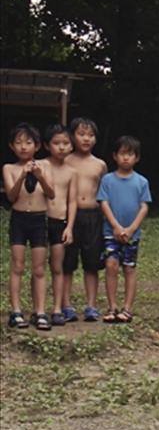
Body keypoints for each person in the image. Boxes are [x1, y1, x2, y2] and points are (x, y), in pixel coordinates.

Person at [3, 122, 55, 331]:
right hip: (19, 219)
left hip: (39, 220)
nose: (23, 146)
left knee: (39, 268)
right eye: (18, 143)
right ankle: (16, 311)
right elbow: (11, 196)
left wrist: (39, 176)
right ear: (11, 146)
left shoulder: (46, 166)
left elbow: (51, 194)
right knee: (17, 266)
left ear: (37, 146)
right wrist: (22, 175)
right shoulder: (9, 168)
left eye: (28, 142)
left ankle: (40, 311)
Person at [97, 135, 152, 323]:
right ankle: (112, 306)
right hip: (110, 232)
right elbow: (103, 203)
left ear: (137, 157)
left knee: (129, 268)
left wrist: (130, 229)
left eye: (130, 154)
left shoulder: (141, 182)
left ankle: (128, 308)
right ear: (114, 156)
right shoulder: (107, 180)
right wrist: (116, 226)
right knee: (111, 266)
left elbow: (144, 207)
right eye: (122, 154)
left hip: (132, 234)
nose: (125, 158)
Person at [63, 117, 107, 322]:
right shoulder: (65, 160)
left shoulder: (100, 165)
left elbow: (104, 193)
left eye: (90, 135)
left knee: (91, 263)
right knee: (67, 263)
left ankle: (91, 305)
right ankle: (65, 305)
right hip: (69, 216)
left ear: (96, 139)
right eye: (81, 134)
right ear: (72, 136)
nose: (86, 138)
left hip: (93, 216)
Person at [43, 123, 78, 326]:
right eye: (56, 143)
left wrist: (69, 226)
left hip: (60, 222)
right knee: (38, 267)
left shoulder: (71, 172)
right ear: (47, 146)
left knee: (57, 266)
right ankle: (39, 309)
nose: (62, 147)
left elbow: (72, 201)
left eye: (66, 143)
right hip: (40, 220)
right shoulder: (39, 165)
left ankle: (57, 308)